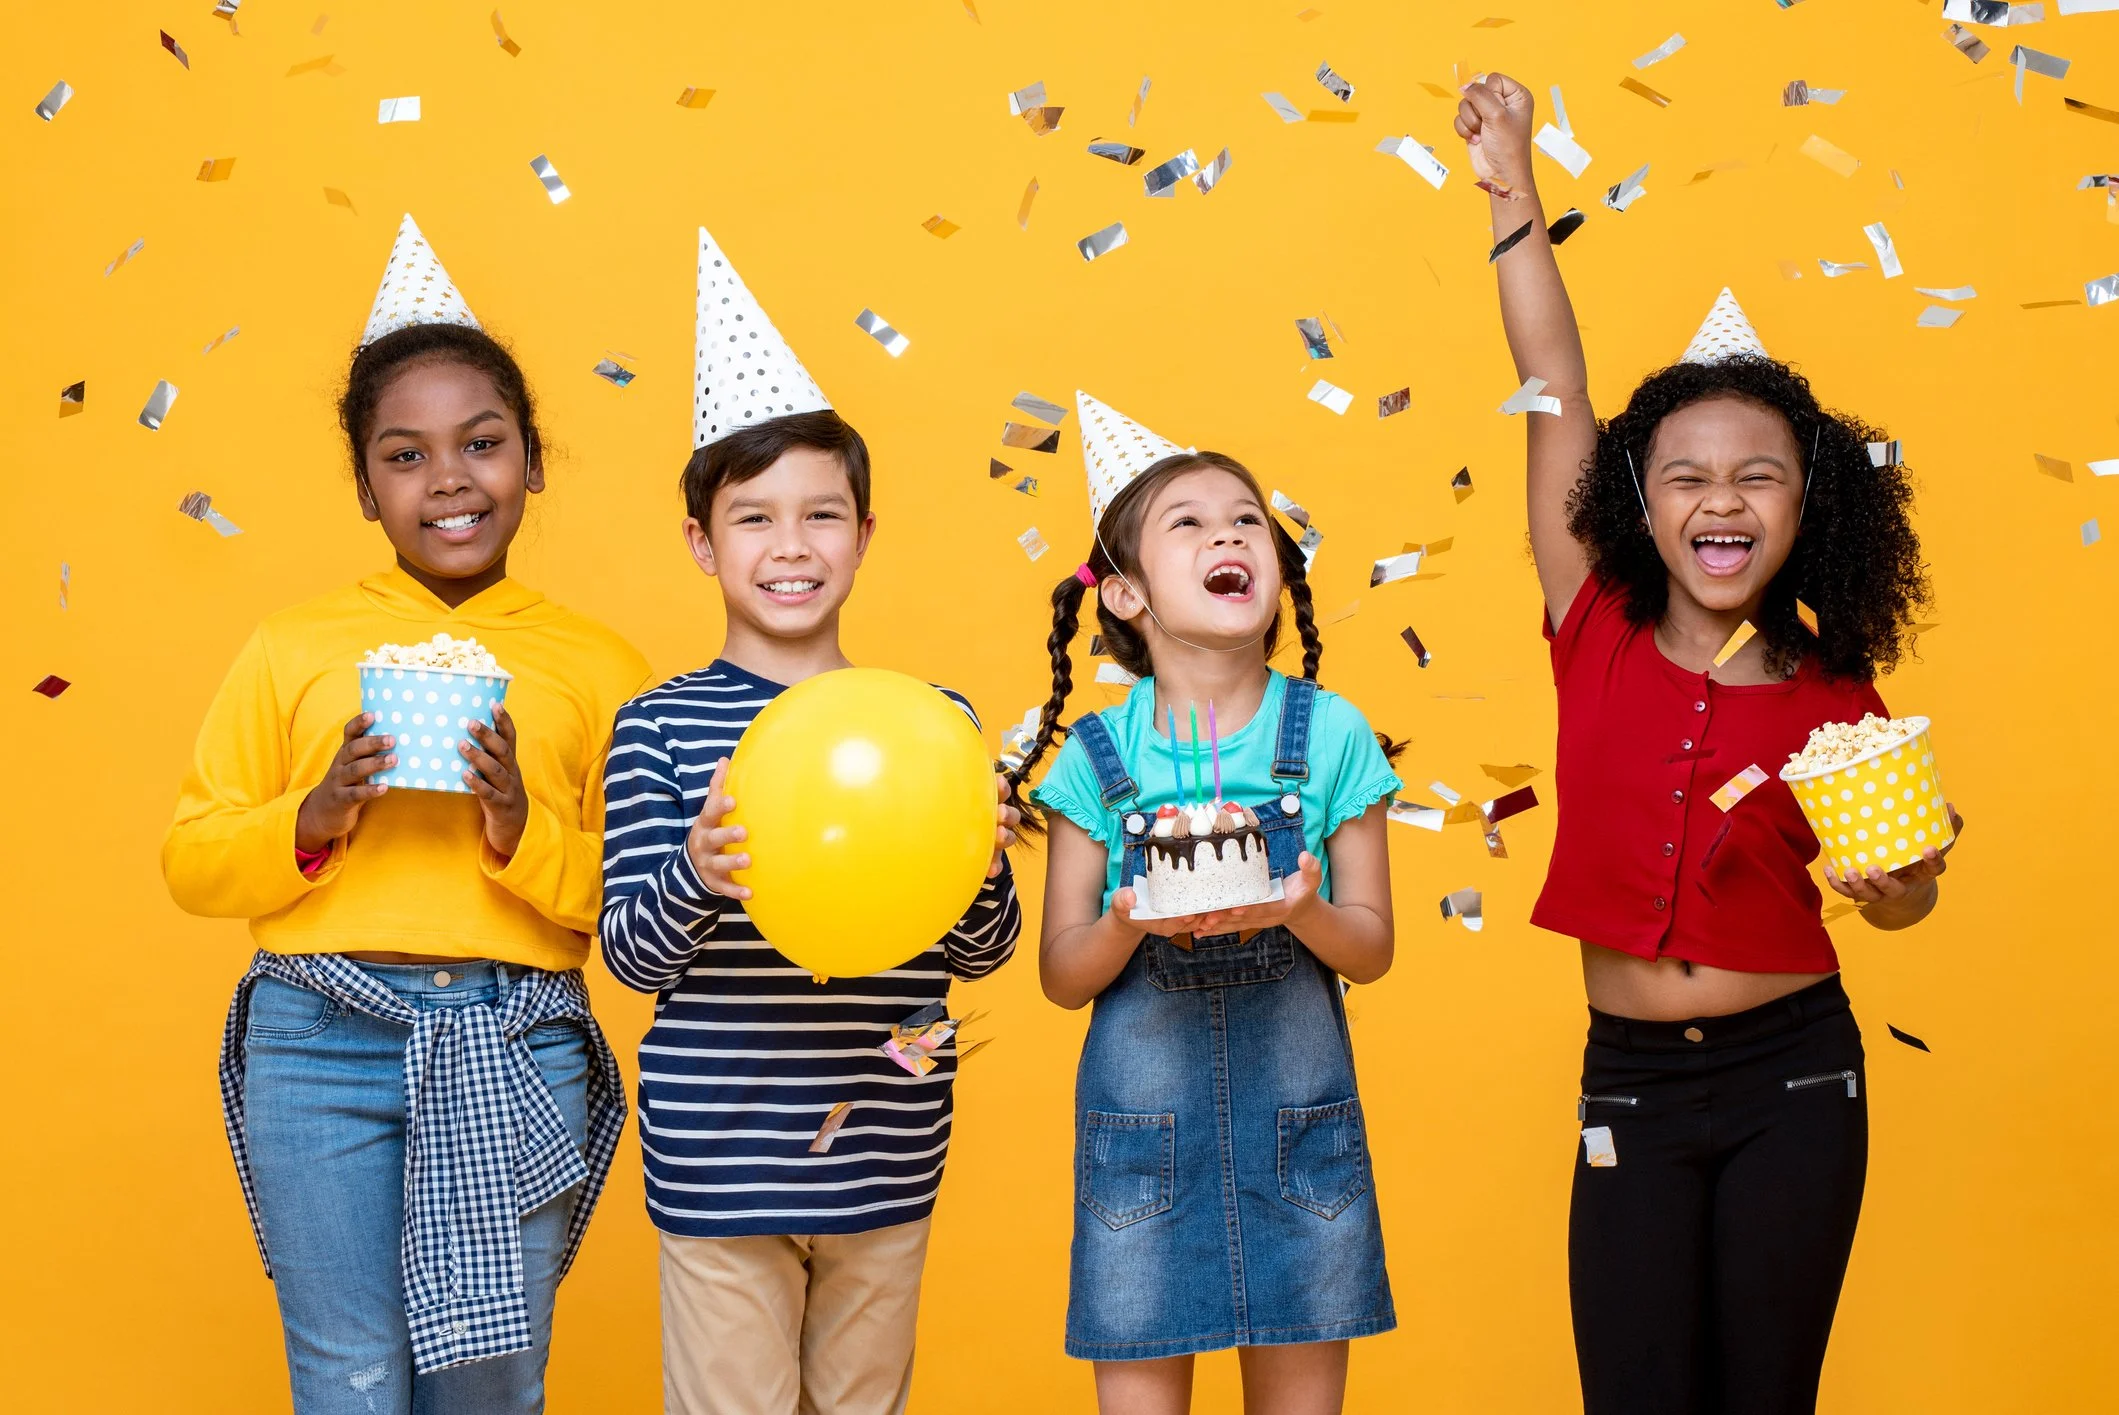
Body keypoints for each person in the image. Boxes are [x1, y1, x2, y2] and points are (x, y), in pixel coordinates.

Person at [1455, 77, 1968, 1415]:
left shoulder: (1837, 696)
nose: (1719, 499)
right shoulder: (1590, 621)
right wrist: (1509, 185)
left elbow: (1904, 898)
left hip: (1792, 1075)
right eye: (1685, 475)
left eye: (1756, 475)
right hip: (1620, 1077)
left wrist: (1901, 887)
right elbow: (1547, 381)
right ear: (1639, 501)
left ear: (1809, 508)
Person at [162, 215, 648, 1414]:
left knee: (489, 1383)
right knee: (351, 1374)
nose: (448, 480)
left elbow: (640, 903)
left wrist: (517, 825)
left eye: (481, 444)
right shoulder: (295, 647)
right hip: (318, 1037)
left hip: (514, 1037)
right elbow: (191, 856)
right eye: (406, 455)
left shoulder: (598, 665)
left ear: (533, 459)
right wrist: (315, 812)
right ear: (366, 482)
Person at [598, 227, 1021, 1415]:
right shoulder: (660, 726)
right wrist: (694, 869)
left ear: (865, 536)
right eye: (754, 518)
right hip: (718, 1159)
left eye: (823, 515)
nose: (791, 547)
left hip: (887, 1149)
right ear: (701, 541)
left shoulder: (932, 721)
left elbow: (983, 947)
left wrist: (980, 857)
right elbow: (631, 956)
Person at [1004, 392, 1402, 1415]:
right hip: (1146, 1140)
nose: (1229, 531)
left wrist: (1297, 908)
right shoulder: (1096, 755)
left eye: (1244, 518)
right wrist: (1127, 917)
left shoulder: (1334, 733)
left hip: (1295, 1133)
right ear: (1128, 595)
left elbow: (1367, 948)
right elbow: (1060, 974)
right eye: (1189, 521)